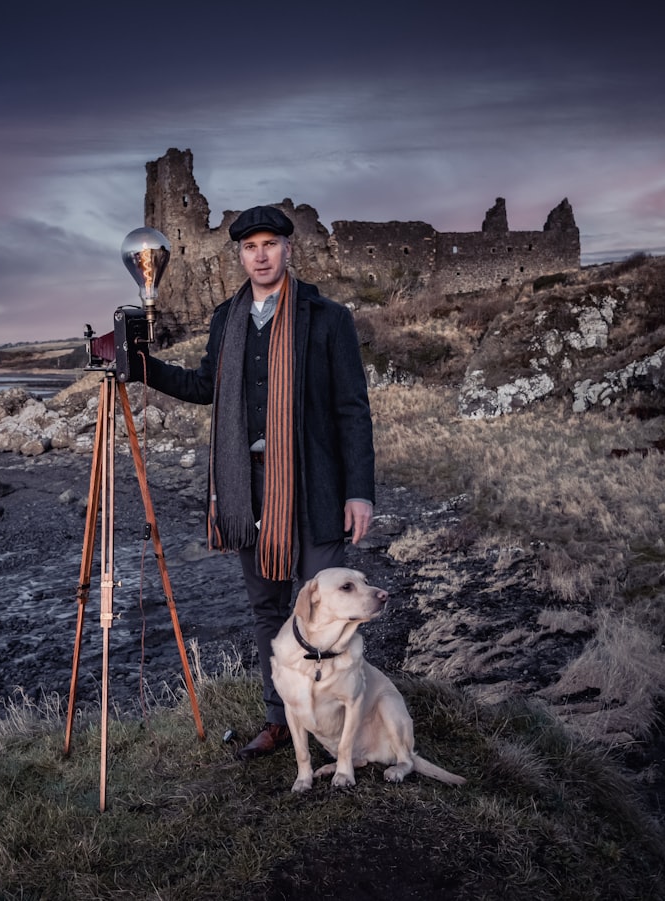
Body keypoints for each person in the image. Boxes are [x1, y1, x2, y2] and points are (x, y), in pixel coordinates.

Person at [135, 205, 376, 760]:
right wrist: (142, 366)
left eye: (270, 244)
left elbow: (352, 410)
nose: (261, 255)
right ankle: (278, 720)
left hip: (315, 486)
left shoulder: (328, 317)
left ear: (289, 249)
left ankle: (339, 727)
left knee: (327, 612)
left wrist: (359, 490)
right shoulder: (228, 319)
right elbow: (204, 386)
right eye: (250, 247)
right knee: (269, 611)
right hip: (249, 489)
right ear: (239, 255)